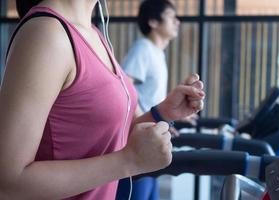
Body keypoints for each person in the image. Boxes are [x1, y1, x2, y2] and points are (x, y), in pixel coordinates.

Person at [0, 1, 205, 200]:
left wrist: (162, 113)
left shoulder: (95, 34)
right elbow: (7, 183)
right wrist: (127, 161)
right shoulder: (47, 34)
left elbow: (105, 138)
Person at [116, 1, 186, 200]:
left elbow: (146, 95)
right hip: (138, 140)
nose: (177, 22)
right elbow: (124, 88)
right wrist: (148, 119)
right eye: (171, 16)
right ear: (154, 21)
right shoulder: (143, 48)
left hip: (151, 139)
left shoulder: (157, 53)